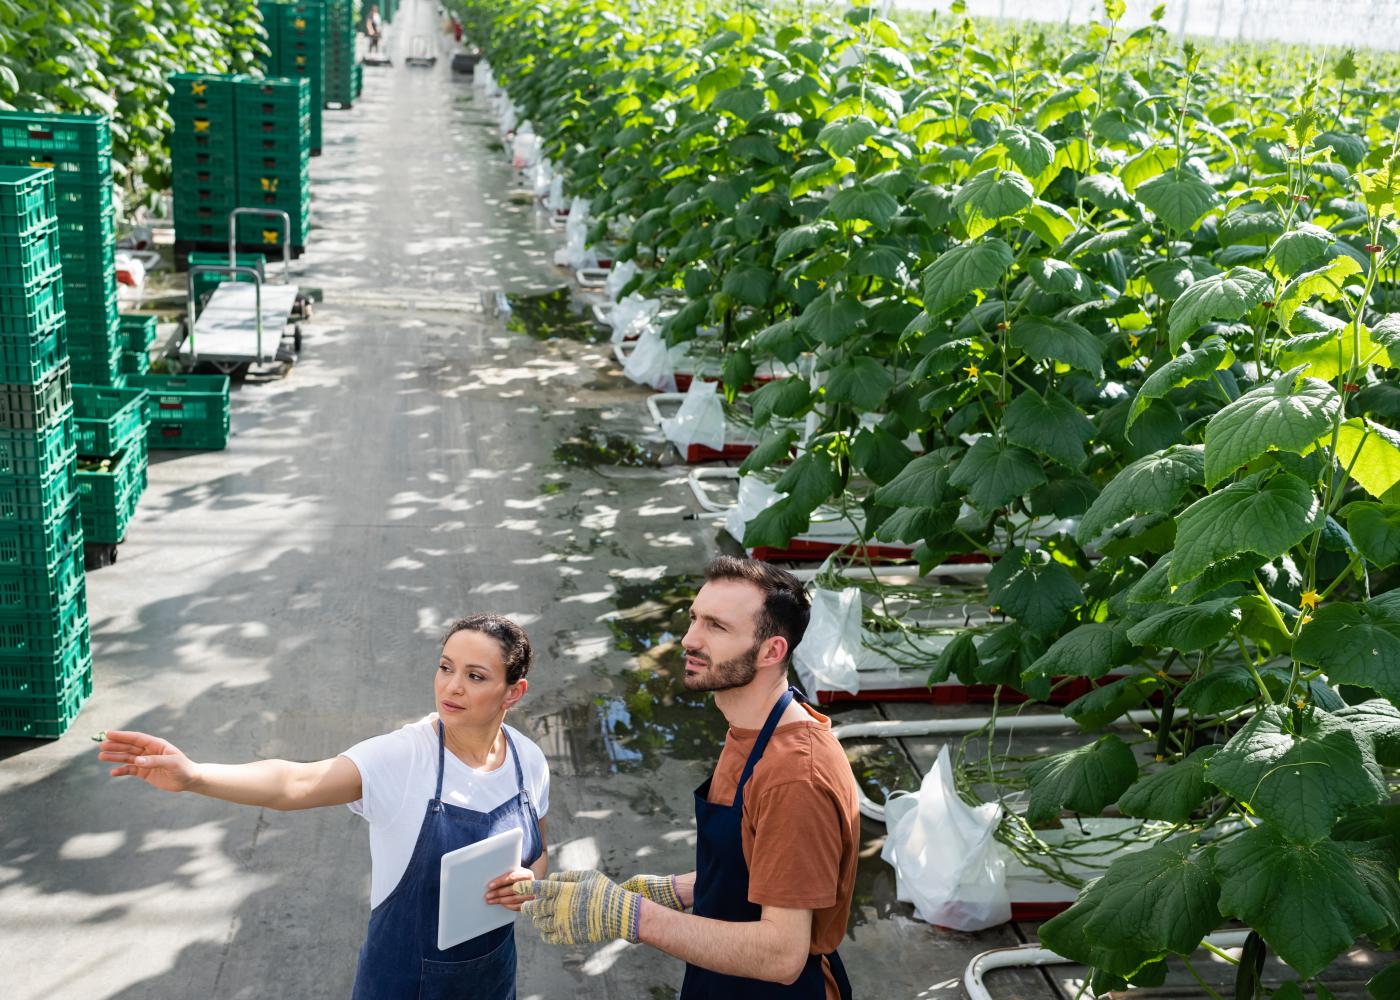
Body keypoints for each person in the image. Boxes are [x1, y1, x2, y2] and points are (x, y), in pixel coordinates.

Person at [97, 614, 549, 1000]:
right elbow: (297, 781)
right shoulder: (404, 757)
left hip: (491, 978)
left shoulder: (527, 761)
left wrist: (529, 883)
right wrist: (195, 775)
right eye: (445, 667)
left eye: (475, 676)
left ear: (513, 692)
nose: (452, 687)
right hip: (402, 983)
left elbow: (538, 854)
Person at [514, 557, 858, 998]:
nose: (689, 639)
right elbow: (759, 860)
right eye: (695, 618)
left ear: (772, 651)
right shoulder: (755, 727)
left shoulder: (794, 779)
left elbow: (781, 955)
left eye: (716, 627)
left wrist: (633, 915)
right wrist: (675, 889)